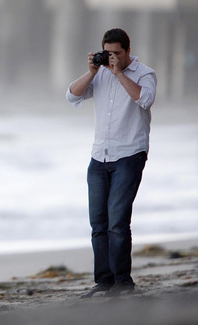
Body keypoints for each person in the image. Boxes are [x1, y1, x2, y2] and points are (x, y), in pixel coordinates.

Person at [66, 28, 157, 298]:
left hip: (129, 155)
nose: (112, 58)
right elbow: (72, 95)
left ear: (128, 51)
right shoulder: (101, 73)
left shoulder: (144, 73)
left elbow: (146, 99)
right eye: (108, 53)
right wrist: (94, 71)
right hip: (99, 156)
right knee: (98, 223)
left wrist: (118, 73)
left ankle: (123, 282)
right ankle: (104, 281)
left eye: (117, 53)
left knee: (117, 221)